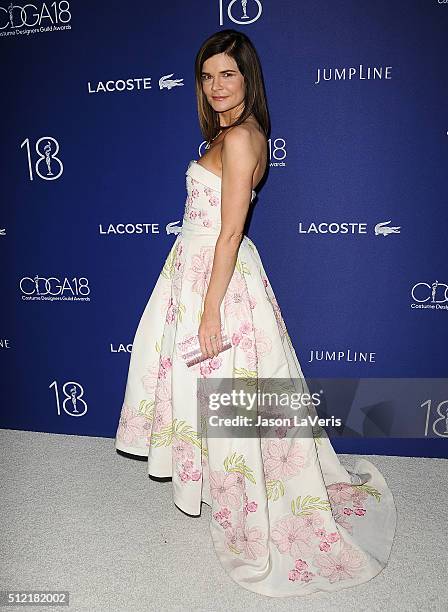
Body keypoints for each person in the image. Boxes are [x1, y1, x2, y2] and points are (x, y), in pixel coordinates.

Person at [114, 29, 397, 598]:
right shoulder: (229, 134)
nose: (217, 86)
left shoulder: (243, 138)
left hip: (215, 278)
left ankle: (247, 497)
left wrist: (211, 310)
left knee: (224, 385)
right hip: (195, 270)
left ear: (248, 79)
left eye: (228, 74)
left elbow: (230, 232)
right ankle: (225, 483)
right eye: (208, 75)